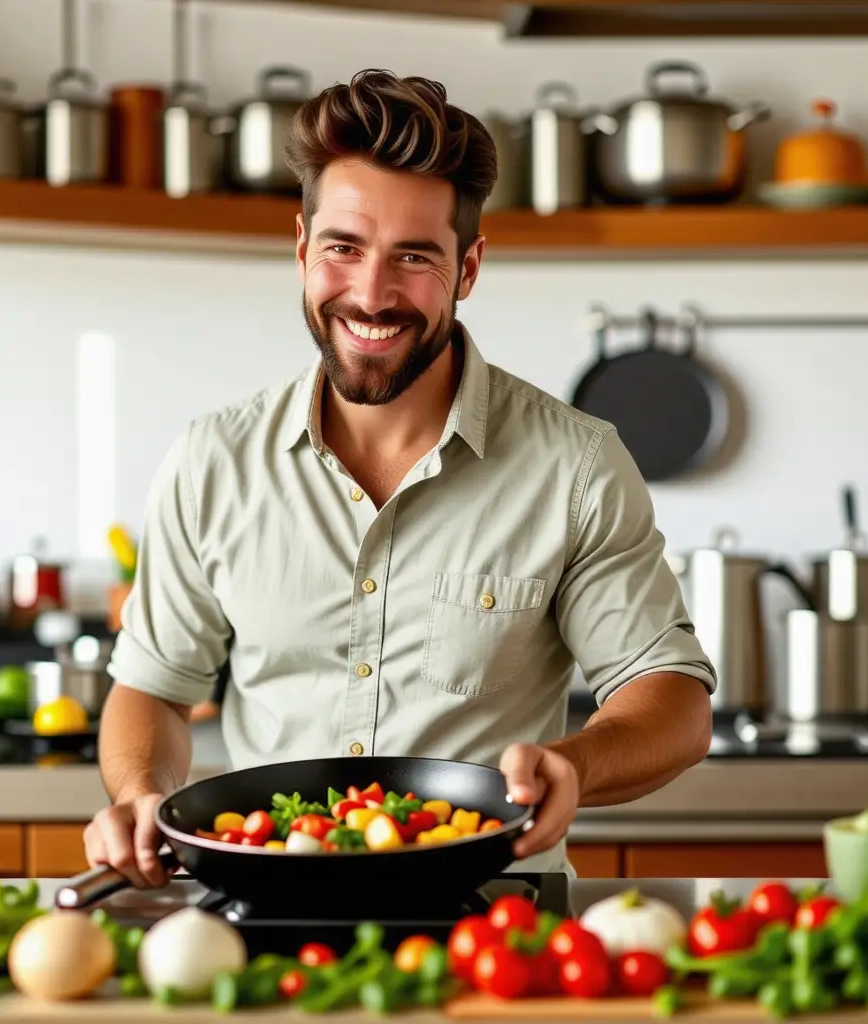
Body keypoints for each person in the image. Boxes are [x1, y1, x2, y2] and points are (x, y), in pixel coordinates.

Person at [85, 69, 716, 889]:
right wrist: (141, 793)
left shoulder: (577, 466)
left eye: (414, 256)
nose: (372, 295)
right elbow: (155, 692)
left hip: (496, 917)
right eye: (344, 248)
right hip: (266, 904)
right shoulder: (212, 462)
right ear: (303, 246)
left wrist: (575, 765)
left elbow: (669, 698)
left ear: (469, 267)